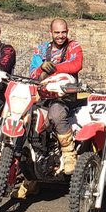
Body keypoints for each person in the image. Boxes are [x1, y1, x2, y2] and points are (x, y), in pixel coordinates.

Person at [28, 18, 84, 175]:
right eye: (57, 32)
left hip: (65, 97)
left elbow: (76, 65)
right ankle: (28, 170)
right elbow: (33, 72)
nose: (60, 36)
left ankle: (68, 153)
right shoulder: (41, 49)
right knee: (26, 116)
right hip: (43, 95)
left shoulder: (73, 46)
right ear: (50, 33)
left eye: (63, 32)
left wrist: (53, 68)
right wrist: (41, 68)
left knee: (56, 112)